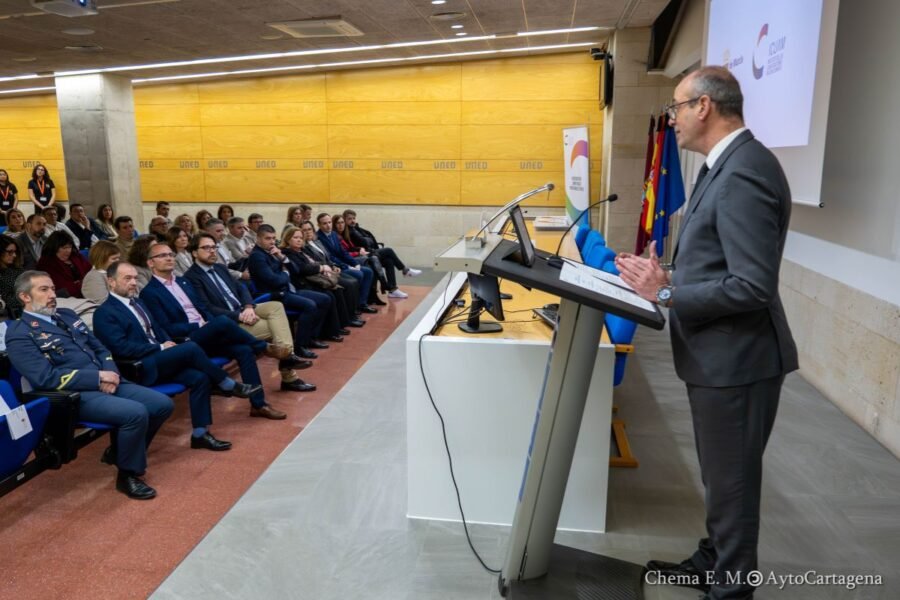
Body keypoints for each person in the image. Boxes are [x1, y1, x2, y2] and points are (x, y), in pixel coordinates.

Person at [614, 66, 798, 600]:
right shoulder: (724, 167)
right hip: (718, 359)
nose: (670, 120)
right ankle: (713, 560)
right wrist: (667, 275)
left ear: (704, 107)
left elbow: (752, 286)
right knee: (722, 481)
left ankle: (731, 589)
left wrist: (665, 294)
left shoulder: (744, 170)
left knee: (733, 488)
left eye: (675, 108)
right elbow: (721, 264)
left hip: (738, 363)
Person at [6, 270, 174, 499]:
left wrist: (110, 373)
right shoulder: (19, 333)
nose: (52, 294)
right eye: (43, 289)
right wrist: (97, 378)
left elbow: (101, 349)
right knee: (135, 413)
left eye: (53, 288)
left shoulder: (66, 315)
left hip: (108, 379)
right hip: (73, 394)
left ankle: (118, 452)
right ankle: (128, 475)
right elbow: (45, 378)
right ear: (25, 297)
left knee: (162, 404)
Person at [94, 262, 260, 452]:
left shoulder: (138, 302)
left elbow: (158, 329)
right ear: (111, 282)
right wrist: (160, 347)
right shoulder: (104, 312)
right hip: (140, 367)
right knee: (190, 348)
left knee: (200, 378)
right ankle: (228, 384)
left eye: (135, 278)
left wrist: (168, 343)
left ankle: (200, 433)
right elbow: (120, 348)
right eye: (127, 278)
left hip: (160, 359)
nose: (133, 282)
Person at [139, 242, 289, 419]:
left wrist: (209, 324)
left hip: (208, 333)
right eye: (162, 256)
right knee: (223, 321)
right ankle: (263, 347)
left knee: (244, 350)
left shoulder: (183, 282)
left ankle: (258, 405)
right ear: (150, 263)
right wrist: (200, 326)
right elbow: (166, 328)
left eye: (171, 254)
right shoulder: (149, 292)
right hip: (187, 339)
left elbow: (203, 308)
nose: (169, 258)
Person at [184, 232, 316, 392]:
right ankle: (288, 370)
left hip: (243, 309)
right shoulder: (191, 277)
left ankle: (287, 359)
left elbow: (242, 287)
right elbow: (207, 308)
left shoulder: (219, 268)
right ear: (194, 252)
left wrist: (248, 307)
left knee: (275, 306)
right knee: (276, 328)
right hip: (228, 322)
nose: (212, 251)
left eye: (214, 247)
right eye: (206, 248)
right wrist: (239, 315)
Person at [247, 224, 332, 358]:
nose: (271, 242)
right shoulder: (257, 256)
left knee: (325, 299)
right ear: (258, 238)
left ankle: (311, 337)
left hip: (287, 290)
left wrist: (281, 257)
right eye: (267, 238)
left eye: (273, 238)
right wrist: (285, 274)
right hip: (273, 295)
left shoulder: (272, 252)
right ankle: (300, 346)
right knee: (309, 305)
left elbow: (296, 270)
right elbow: (274, 280)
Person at [282, 226, 363, 329]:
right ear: (287, 239)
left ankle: (342, 323)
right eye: (295, 237)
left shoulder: (300, 250)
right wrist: (321, 268)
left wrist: (327, 267)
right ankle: (333, 329)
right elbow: (302, 269)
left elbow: (316, 262)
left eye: (301, 238)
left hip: (313, 278)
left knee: (338, 288)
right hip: (303, 283)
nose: (299, 240)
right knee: (331, 293)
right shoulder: (287, 252)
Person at [315, 213, 377, 313]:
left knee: (368, 271)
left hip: (343, 263)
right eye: (324, 223)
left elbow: (343, 252)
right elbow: (330, 257)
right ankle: (354, 305)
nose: (328, 225)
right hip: (336, 266)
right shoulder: (318, 238)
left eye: (330, 222)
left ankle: (362, 303)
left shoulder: (334, 234)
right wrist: (347, 266)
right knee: (359, 274)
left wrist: (354, 263)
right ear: (319, 225)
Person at [299, 220, 362, 318]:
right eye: (304, 230)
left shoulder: (316, 242)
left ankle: (353, 311)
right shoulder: (303, 247)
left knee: (354, 281)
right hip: (322, 274)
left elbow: (327, 257)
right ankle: (349, 317)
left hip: (331, 270)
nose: (308, 232)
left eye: (310, 229)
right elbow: (315, 263)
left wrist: (333, 266)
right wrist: (327, 268)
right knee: (349, 284)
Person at [343, 208, 421, 284]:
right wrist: (361, 248)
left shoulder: (357, 229)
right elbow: (354, 246)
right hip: (364, 254)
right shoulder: (347, 231)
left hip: (371, 250)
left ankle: (393, 290)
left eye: (354, 218)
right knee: (388, 250)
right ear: (345, 220)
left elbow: (368, 238)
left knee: (389, 261)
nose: (353, 221)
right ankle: (405, 270)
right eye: (349, 219)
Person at [333, 213, 395, 302]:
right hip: (348, 260)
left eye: (342, 222)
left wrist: (359, 249)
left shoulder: (345, 233)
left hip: (357, 255)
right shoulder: (337, 236)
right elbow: (344, 253)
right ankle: (383, 285)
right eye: (338, 223)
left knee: (387, 260)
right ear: (334, 224)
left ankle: (380, 290)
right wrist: (358, 252)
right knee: (378, 256)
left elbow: (352, 247)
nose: (341, 225)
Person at [37, 231, 91, 298]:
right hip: (66, 300)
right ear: (54, 248)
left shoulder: (76, 256)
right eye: (64, 248)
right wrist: (83, 283)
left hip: (88, 292)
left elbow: (91, 272)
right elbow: (62, 289)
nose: (68, 250)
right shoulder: (46, 263)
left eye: (70, 247)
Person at [82, 240, 120, 305]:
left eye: (118, 258)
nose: (118, 261)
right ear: (101, 259)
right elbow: (102, 303)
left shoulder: (111, 272)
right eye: (114, 259)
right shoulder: (93, 278)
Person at [0, 234, 23, 317]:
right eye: (10, 252)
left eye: (15, 252)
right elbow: (6, 300)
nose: (14, 255)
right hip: (7, 315)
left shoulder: (16, 268)